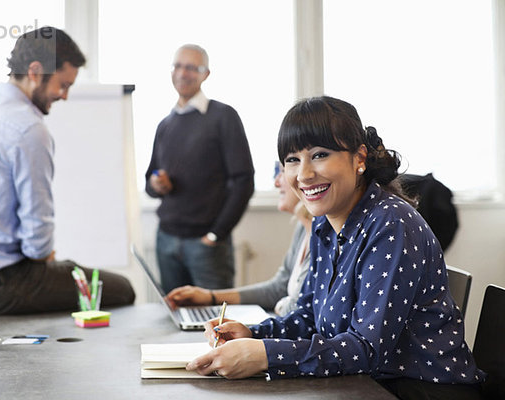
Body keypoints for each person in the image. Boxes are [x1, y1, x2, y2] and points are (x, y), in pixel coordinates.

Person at [186, 96, 485, 400]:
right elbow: (307, 318)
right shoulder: (323, 224)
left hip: (421, 391)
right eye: (291, 160)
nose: (303, 174)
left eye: (320, 155)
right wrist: (253, 333)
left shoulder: (391, 223)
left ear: (359, 158)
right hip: (362, 385)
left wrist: (265, 355)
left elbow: (365, 349)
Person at [0, 26, 135, 315]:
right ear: (35, 71)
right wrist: (49, 262)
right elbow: (37, 243)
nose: (65, 96)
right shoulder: (29, 129)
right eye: (63, 84)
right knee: (120, 288)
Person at [145, 44, 254, 293]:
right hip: (166, 240)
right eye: (178, 66)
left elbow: (244, 180)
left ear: (205, 74)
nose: (183, 73)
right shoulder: (165, 124)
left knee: (216, 324)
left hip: (206, 245)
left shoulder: (223, 116)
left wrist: (216, 234)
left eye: (192, 68)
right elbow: (149, 180)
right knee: (175, 320)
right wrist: (156, 184)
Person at [166, 162, 312, 315]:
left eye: (282, 172)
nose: (276, 183)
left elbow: (298, 309)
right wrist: (211, 297)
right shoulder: (302, 228)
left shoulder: (322, 234)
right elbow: (278, 289)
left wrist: (283, 304)